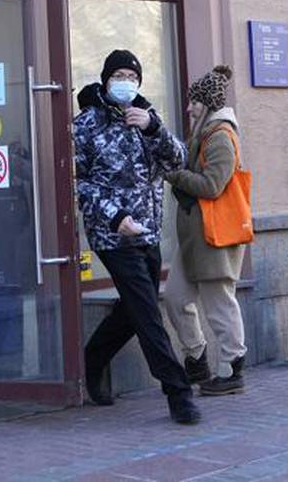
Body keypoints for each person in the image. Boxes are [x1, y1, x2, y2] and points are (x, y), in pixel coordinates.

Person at [75, 50, 201, 424]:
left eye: (132, 75)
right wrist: (116, 219)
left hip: (146, 231)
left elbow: (177, 161)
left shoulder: (147, 118)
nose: (125, 82)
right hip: (113, 235)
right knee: (148, 313)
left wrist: (153, 128)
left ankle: (92, 359)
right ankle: (178, 392)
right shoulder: (85, 125)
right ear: (106, 79)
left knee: (134, 311)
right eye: (119, 75)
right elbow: (79, 183)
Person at [161, 65, 250, 396]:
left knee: (218, 304)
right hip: (194, 239)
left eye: (194, 103)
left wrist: (174, 175)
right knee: (175, 298)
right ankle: (196, 357)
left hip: (215, 236)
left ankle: (232, 369)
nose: (189, 108)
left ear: (208, 104)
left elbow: (212, 186)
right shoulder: (203, 135)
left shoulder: (221, 137)